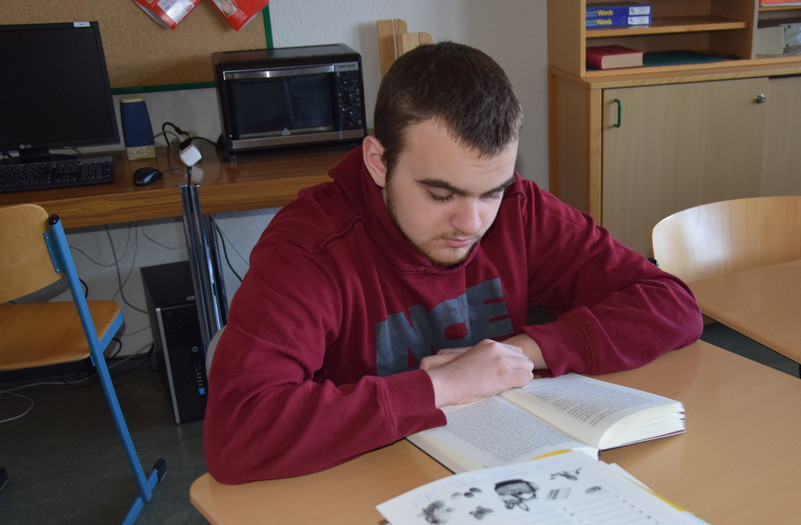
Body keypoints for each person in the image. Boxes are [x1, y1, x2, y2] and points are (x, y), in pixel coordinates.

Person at [204, 41, 702, 484]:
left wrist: (519, 354)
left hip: (499, 472)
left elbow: (671, 304)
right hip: (362, 484)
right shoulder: (309, 250)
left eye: (492, 192)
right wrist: (443, 384)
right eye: (441, 194)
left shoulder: (520, 211)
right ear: (378, 162)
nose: (471, 223)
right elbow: (238, 433)